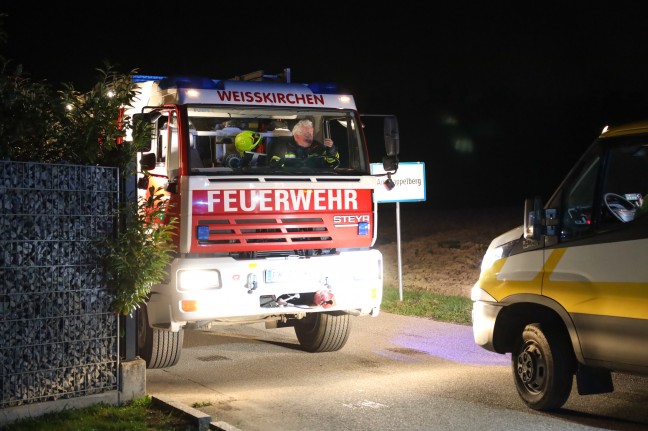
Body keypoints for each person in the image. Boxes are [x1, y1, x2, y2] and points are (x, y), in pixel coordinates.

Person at [270, 119, 339, 166]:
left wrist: (331, 150)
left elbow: (332, 163)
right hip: (290, 182)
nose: (310, 135)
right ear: (296, 135)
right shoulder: (283, 147)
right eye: (307, 133)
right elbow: (275, 167)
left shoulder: (319, 147)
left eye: (311, 133)